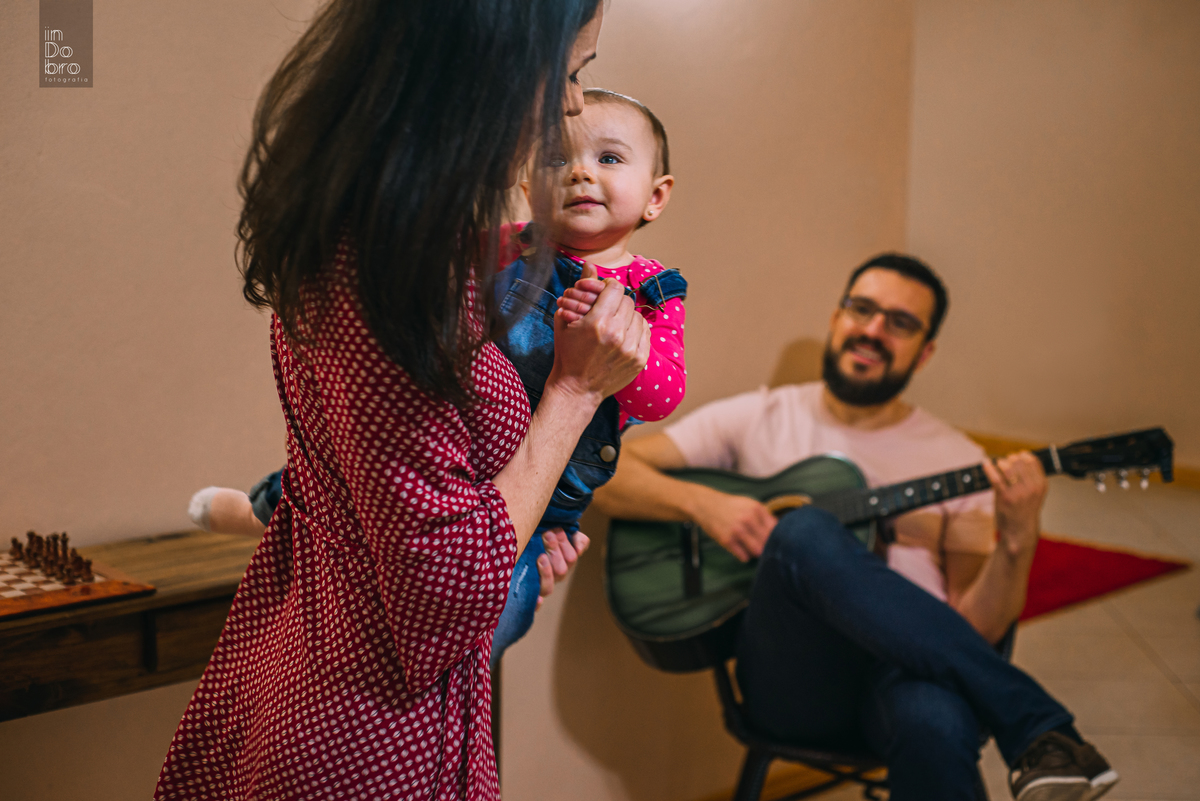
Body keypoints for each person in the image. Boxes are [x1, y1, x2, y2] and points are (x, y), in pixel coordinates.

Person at [155, 2, 652, 799]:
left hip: (315, 664)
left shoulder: (389, 233)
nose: (570, 106)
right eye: (565, 72)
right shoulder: (389, 273)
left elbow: (430, 511)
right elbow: (447, 589)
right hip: (370, 728)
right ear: (480, 63)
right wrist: (574, 390)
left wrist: (520, 532)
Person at [186, 87, 687, 668]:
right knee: (323, 495)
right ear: (527, 191)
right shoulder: (506, 247)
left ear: (655, 196)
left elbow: (663, 396)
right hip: (449, 450)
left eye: (609, 158)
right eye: (555, 159)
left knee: (499, 608)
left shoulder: (652, 293)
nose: (578, 172)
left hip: (545, 494)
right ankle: (255, 513)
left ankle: (458, 669)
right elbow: (422, 271)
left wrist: (623, 348)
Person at [593, 254, 1118, 801]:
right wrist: (705, 505)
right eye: (862, 309)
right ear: (836, 317)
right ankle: (1035, 723)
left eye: (900, 322)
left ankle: (1044, 742)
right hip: (795, 683)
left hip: (910, 678)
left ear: (925, 352)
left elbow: (972, 628)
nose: (872, 330)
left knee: (936, 719)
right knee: (804, 531)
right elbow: (609, 472)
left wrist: (1018, 539)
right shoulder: (756, 416)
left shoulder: (957, 457)